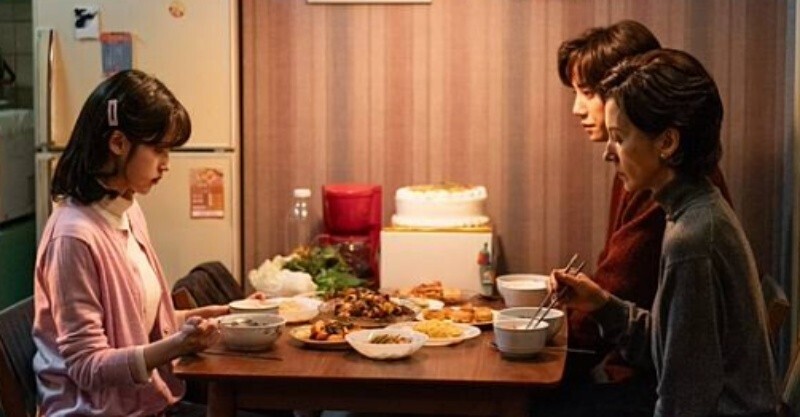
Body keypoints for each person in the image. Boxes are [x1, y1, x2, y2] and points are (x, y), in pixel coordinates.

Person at [552, 48, 778, 417]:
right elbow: (666, 347)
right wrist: (600, 304)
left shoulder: (692, 238)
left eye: (619, 138)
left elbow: (684, 400)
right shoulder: (694, 207)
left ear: (667, 143)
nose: (608, 153)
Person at [32, 69, 262, 416]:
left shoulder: (128, 210)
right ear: (118, 143)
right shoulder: (72, 237)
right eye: (159, 149)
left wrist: (222, 316)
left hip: (145, 405)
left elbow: (133, 325)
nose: (166, 164)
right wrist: (177, 345)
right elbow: (86, 366)